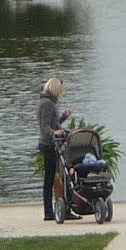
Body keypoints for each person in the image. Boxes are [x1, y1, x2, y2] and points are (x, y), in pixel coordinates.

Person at [37, 76, 73, 221]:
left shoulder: (50, 103)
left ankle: (64, 208)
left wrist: (64, 116)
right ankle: (48, 211)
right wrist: (55, 133)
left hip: (54, 144)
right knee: (50, 178)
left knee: (61, 177)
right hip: (49, 145)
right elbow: (44, 126)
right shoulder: (46, 104)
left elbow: (54, 122)